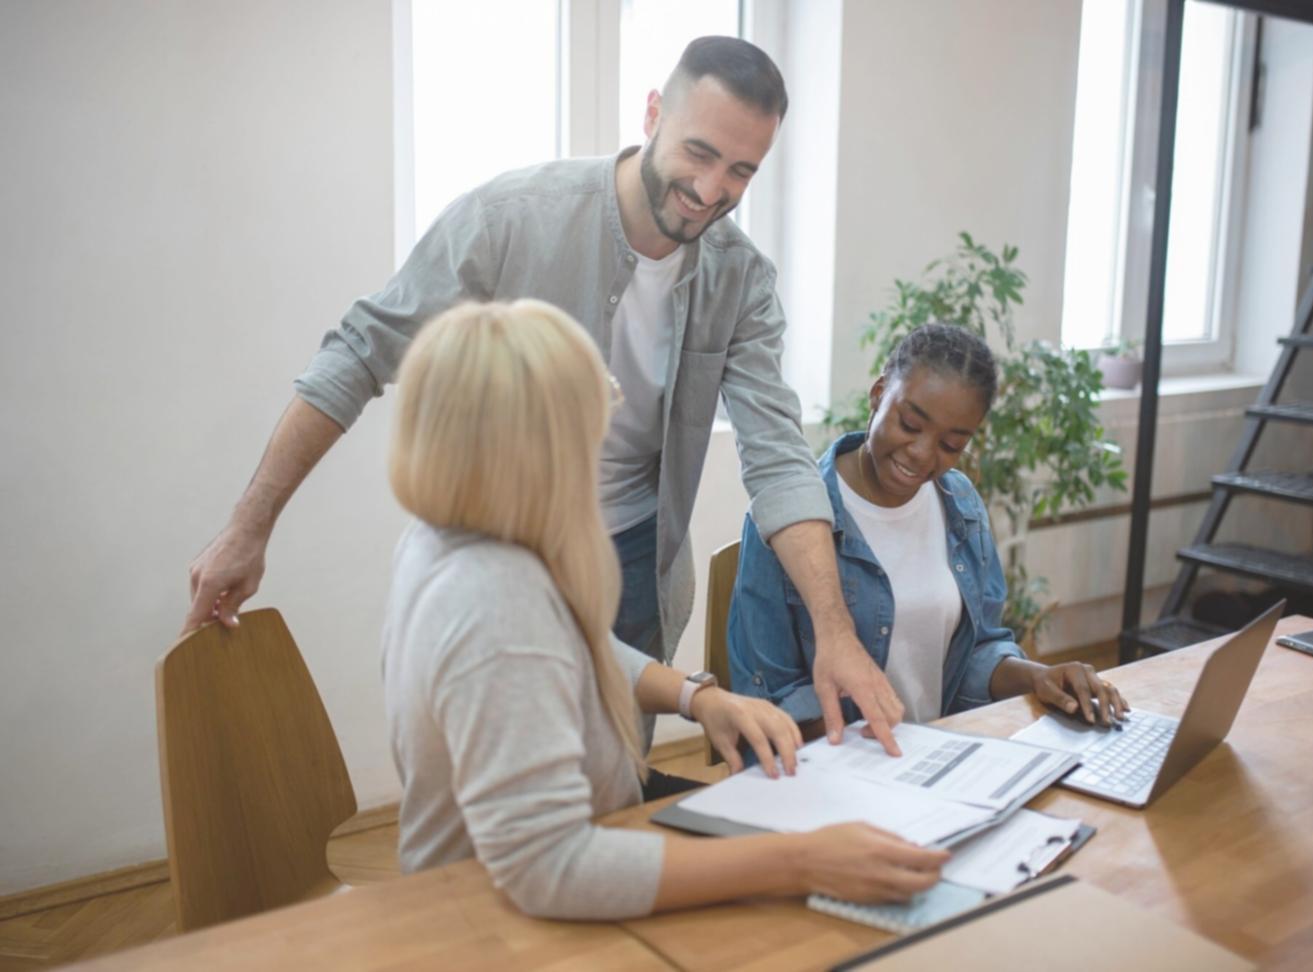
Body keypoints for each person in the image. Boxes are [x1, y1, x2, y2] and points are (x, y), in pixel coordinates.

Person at [184, 35, 903, 752]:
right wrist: (249, 527)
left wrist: (834, 634)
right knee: (507, 807)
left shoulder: (741, 279)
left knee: (615, 784)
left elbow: (777, 455)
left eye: (741, 171)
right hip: (504, 549)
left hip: (636, 563)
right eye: (699, 153)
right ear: (653, 114)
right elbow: (360, 352)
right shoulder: (511, 218)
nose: (713, 190)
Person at [381, 299, 947, 919]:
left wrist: (696, 697)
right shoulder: (493, 596)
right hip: (485, 920)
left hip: (573, 836)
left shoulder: (450, 536)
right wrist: (803, 860)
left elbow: (564, 648)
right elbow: (551, 869)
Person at [729, 324, 1130, 729]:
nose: (922, 455)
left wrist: (1039, 675)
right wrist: (879, 760)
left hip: (931, 757)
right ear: (878, 393)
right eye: (909, 424)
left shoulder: (961, 506)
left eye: (951, 445)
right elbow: (771, 696)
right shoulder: (791, 519)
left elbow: (973, 652)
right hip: (832, 769)